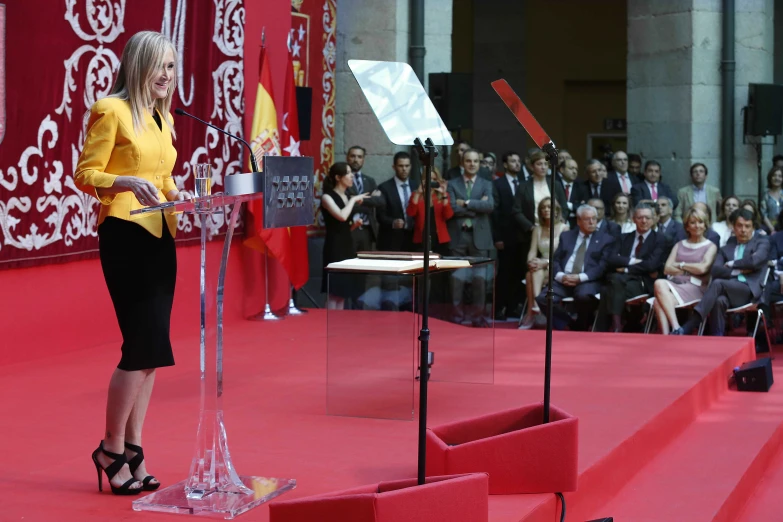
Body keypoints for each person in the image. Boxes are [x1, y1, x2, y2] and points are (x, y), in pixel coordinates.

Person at [74, 31, 189, 495]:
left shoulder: (162, 119)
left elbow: (162, 178)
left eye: (172, 67)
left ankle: (135, 449)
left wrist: (198, 200)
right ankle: (110, 448)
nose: (166, 75)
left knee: (153, 352)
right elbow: (86, 173)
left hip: (161, 234)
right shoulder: (111, 109)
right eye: (159, 65)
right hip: (125, 234)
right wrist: (121, 180)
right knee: (139, 346)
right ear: (138, 66)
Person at [674, 209, 770, 336]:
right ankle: (717, 339)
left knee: (718, 284)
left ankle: (691, 324)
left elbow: (754, 262)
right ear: (733, 227)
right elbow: (715, 269)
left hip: (750, 291)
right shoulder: (728, 246)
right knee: (719, 300)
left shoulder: (761, 242)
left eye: (747, 226)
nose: (743, 230)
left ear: (753, 228)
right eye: (739, 225)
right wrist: (737, 271)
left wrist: (732, 264)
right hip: (730, 290)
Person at [535, 205, 614, 331]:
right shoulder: (566, 236)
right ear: (578, 221)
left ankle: (583, 323)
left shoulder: (606, 239)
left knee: (584, 296)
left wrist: (579, 278)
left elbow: (602, 266)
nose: (592, 222)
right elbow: (556, 260)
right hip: (563, 280)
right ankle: (570, 323)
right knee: (543, 299)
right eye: (587, 219)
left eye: (594, 218)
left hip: (588, 280)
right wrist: (561, 276)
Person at [598, 204, 667, 332]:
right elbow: (611, 259)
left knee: (608, 288)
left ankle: (614, 325)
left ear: (653, 220)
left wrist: (625, 268)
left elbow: (652, 265)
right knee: (614, 282)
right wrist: (634, 261)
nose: (644, 221)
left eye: (647, 217)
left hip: (642, 282)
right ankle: (619, 324)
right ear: (633, 219)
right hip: (623, 281)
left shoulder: (660, 239)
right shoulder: (623, 237)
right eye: (640, 217)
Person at [652, 207, 718, 334]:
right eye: (692, 223)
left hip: (697, 287)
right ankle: (670, 335)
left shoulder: (710, 246)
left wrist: (680, 265)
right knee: (658, 299)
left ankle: (675, 328)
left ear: (705, 225)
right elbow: (667, 269)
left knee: (659, 285)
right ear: (687, 227)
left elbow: (703, 268)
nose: (696, 226)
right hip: (675, 285)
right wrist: (692, 268)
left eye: (700, 222)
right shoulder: (679, 244)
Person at [321, 162, 368, 308]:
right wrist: (353, 200)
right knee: (334, 291)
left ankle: (338, 325)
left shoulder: (347, 196)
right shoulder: (327, 197)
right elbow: (341, 216)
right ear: (338, 177)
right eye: (348, 173)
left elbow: (344, 227)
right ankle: (328, 324)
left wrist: (355, 225)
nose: (351, 175)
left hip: (347, 245)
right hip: (334, 246)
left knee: (342, 292)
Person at [519, 197, 569, 329]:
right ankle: (536, 306)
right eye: (543, 208)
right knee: (532, 272)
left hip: (557, 265)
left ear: (557, 211)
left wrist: (546, 262)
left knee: (531, 275)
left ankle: (531, 312)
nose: (546, 210)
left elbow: (564, 256)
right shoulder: (537, 229)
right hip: (541, 266)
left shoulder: (565, 229)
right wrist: (531, 262)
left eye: (549, 207)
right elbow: (532, 251)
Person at [492, 151, 526, 320]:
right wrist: (497, 237)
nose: (517, 164)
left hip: (523, 237)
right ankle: (499, 308)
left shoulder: (525, 183)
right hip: (505, 237)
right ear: (505, 164)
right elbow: (496, 213)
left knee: (519, 274)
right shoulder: (498, 184)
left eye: (518, 161)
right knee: (504, 274)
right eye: (513, 161)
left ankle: (513, 307)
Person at [407, 166, 454, 256]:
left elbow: (448, 216)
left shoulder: (443, 195)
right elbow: (411, 213)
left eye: (434, 179)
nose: (431, 181)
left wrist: (444, 195)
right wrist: (418, 193)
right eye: (429, 179)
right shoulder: (416, 194)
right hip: (421, 238)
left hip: (440, 238)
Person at [345, 146, 384, 252]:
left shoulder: (369, 181)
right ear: (347, 158)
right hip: (350, 228)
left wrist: (360, 200)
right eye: (353, 156)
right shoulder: (342, 180)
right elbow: (346, 204)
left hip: (367, 230)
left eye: (359, 157)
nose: (356, 160)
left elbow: (380, 201)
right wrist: (370, 203)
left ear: (363, 160)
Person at [377, 151, 417, 251]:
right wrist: (393, 222)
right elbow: (380, 215)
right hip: (392, 239)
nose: (404, 169)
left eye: (407, 166)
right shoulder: (385, 187)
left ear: (410, 166)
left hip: (414, 238)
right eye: (401, 166)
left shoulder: (416, 186)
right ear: (394, 167)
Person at [761, 165, 783, 232]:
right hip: (770, 228)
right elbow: (764, 214)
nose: (777, 178)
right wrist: (772, 229)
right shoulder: (766, 195)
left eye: (780, 176)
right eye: (774, 175)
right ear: (770, 178)